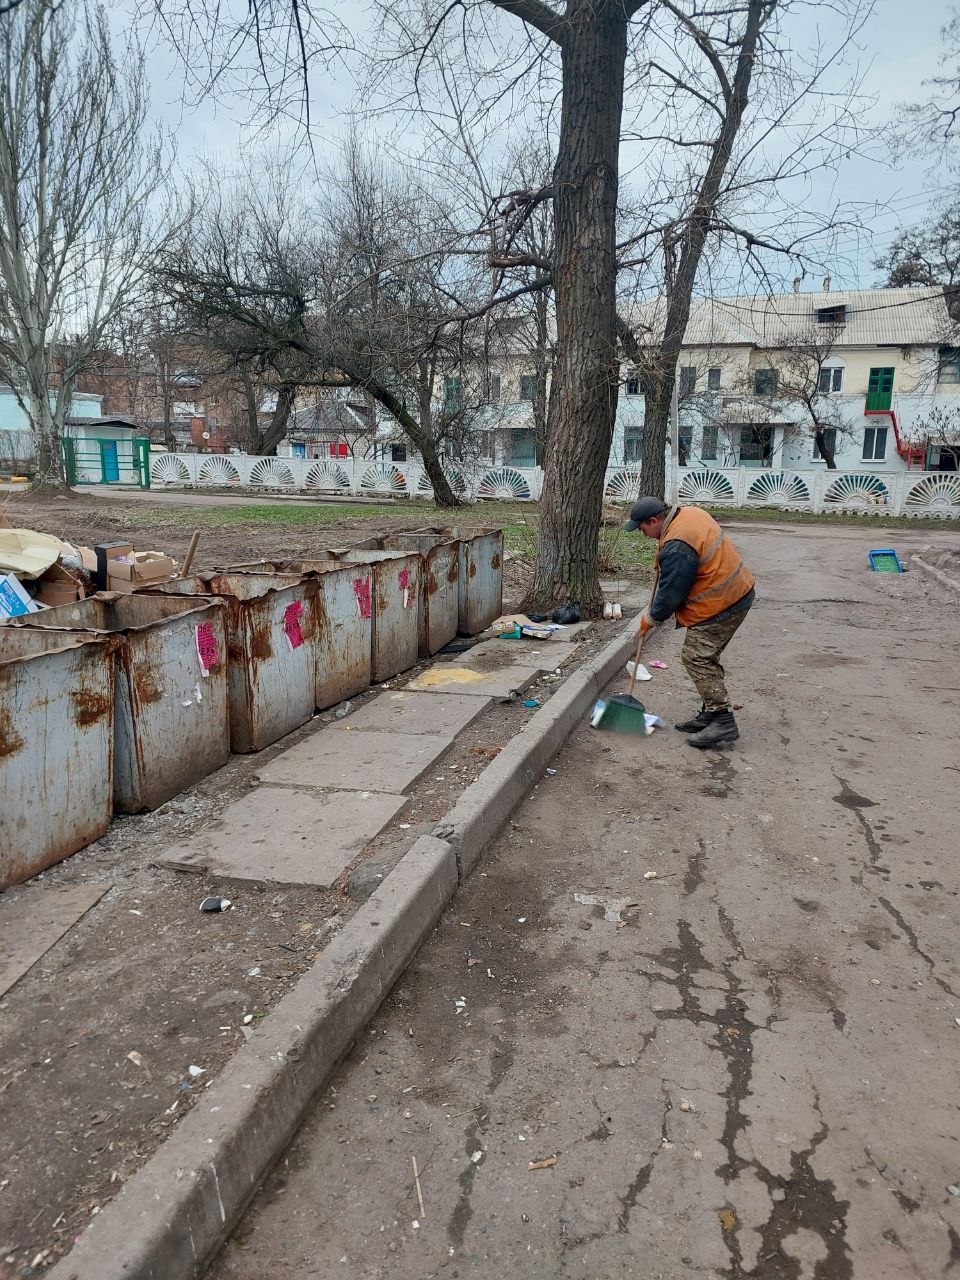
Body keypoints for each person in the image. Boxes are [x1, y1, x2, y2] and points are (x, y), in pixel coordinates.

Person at [624, 496, 755, 748]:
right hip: (734, 591)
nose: (643, 535)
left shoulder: (677, 543)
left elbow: (672, 592)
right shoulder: (688, 514)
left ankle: (722, 721)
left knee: (696, 657)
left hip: (723, 602)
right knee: (705, 656)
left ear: (654, 520)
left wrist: (650, 620)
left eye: (643, 529)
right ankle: (711, 712)